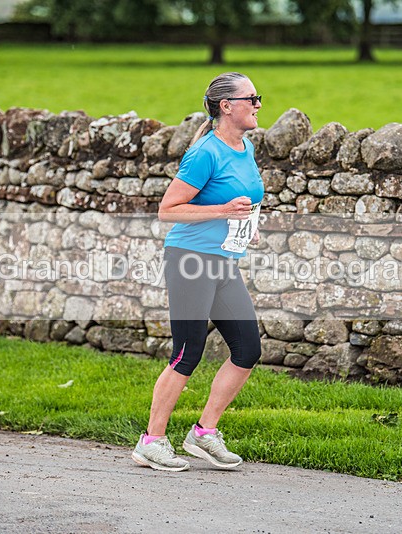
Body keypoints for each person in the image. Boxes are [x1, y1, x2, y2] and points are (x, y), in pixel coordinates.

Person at [131, 72, 265, 472]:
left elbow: (242, 199)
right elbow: (167, 210)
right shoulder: (206, 152)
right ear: (227, 106)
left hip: (224, 261)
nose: (259, 104)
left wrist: (245, 226)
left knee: (247, 349)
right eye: (252, 98)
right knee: (188, 352)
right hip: (190, 259)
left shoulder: (245, 147)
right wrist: (224, 211)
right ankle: (151, 441)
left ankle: (204, 433)